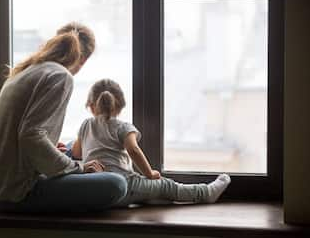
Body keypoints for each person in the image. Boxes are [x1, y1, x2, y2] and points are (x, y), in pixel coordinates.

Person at [0, 23, 127, 213]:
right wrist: (78, 169)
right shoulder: (60, 76)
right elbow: (30, 136)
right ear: (82, 60)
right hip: (19, 192)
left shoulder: (22, 72)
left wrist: (46, 150)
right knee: (117, 183)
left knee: (71, 147)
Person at [69, 79, 231, 206]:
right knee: (166, 185)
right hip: (125, 186)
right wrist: (149, 173)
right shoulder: (123, 127)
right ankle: (205, 193)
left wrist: (67, 147)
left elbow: (77, 153)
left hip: (99, 189)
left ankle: (151, 198)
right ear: (120, 105)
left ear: (91, 106)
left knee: (151, 191)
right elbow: (133, 150)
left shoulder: (86, 125)